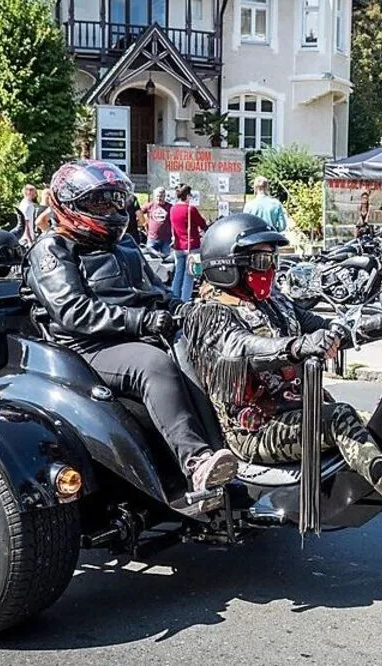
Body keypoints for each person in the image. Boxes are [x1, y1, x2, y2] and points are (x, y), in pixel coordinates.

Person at [184, 214, 382, 553]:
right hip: (257, 431)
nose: (269, 267)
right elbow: (244, 348)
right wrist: (297, 346)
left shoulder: (274, 303)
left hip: (299, 410)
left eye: (272, 259)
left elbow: (323, 326)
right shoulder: (207, 315)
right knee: (341, 418)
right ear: (228, 265)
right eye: (261, 260)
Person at [22, 160, 235, 507]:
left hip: (137, 332)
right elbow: (73, 311)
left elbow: (155, 293)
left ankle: (240, 446)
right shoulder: (52, 249)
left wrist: (185, 311)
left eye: (115, 201)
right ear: (69, 205)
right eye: (99, 203)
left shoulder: (125, 246)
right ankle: (196, 463)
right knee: (153, 364)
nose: (111, 210)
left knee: (215, 349)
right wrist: (142, 322)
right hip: (85, 347)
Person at [170, 183, 207, 302]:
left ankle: (174, 299)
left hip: (178, 246)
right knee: (189, 275)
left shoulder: (172, 209)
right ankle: (184, 301)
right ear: (187, 195)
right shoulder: (191, 209)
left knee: (178, 274)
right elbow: (202, 224)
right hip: (191, 246)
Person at [143, 187, 172, 254]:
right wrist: (144, 223)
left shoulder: (170, 207)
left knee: (166, 259)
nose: (159, 198)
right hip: (152, 238)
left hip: (166, 239)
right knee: (150, 259)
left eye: (161, 196)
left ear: (164, 196)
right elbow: (139, 212)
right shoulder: (150, 205)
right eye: (157, 196)